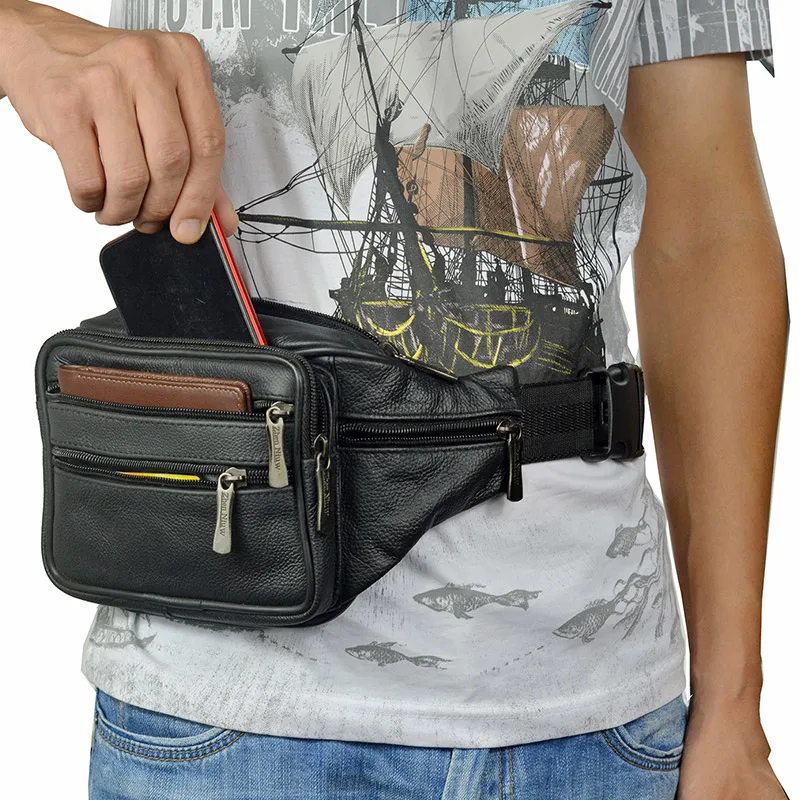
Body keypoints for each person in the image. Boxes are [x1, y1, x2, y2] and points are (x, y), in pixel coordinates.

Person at [0, 0, 789, 797]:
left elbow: (704, 234)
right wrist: (21, 34)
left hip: (599, 714)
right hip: (217, 713)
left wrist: (733, 706)